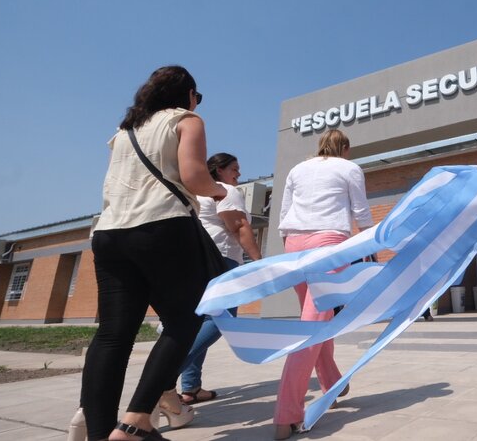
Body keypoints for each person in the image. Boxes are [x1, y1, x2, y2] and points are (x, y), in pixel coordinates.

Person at [81, 66, 227, 441]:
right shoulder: (186, 119)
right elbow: (194, 176)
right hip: (162, 226)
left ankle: (100, 434)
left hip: (110, 233)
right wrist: (219, 192)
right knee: (185, 320)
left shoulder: (123, 132)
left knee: (112, 335)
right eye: (198, 96)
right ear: (188, 94)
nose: (198, 102)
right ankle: (136, 420)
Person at [273, 129, 374, 440]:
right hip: (328, 243)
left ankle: (332, 383)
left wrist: (290, 244)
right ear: (345, 148)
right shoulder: (349, 167)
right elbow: (361, 213)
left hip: (294, 244)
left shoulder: (297, 169)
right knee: (313, 324)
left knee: (319, 316)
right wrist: (372, 248)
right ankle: (286, 412)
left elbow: (284, 211)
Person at [169, 153, 262, 406]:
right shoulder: (227, 191)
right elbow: (240, 227)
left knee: (200, 322)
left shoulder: (196, 193)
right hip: (221, 260)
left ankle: (190, 388)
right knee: (223, 320)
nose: (238, 174)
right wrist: (259, 262)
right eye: (234, 168)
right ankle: (165, 378)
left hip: (195, 261)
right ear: (219, 170)